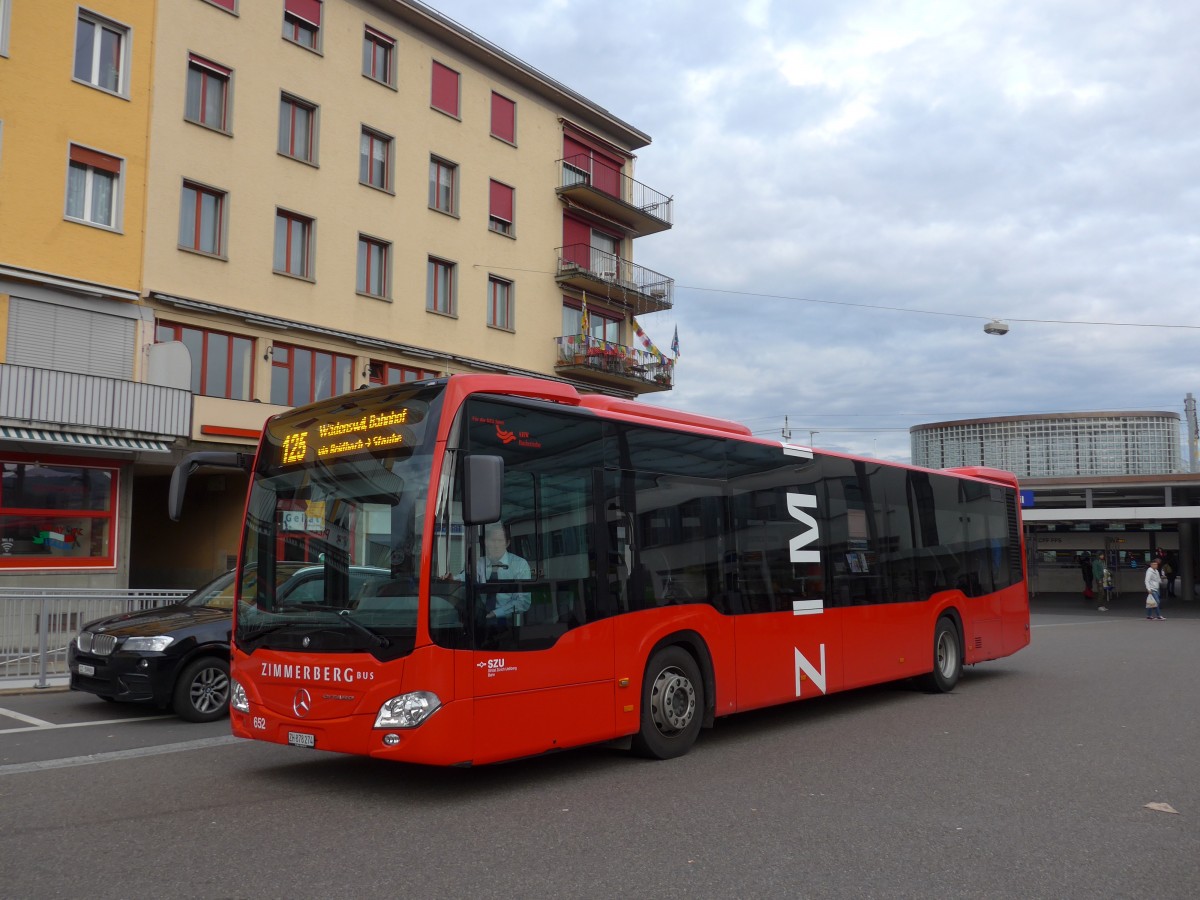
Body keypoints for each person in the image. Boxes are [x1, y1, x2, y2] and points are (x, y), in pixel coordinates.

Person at [476, 522, 531, 623]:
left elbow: (523, 601)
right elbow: (464, 578)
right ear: (486, 542)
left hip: (508, 622)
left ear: (507, 543)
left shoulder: (520, 564)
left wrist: (497, 613)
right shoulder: (479, 563)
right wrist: (452, 579)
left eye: (500, 541)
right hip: (480, 619)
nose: (496, 545)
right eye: (492, 540)